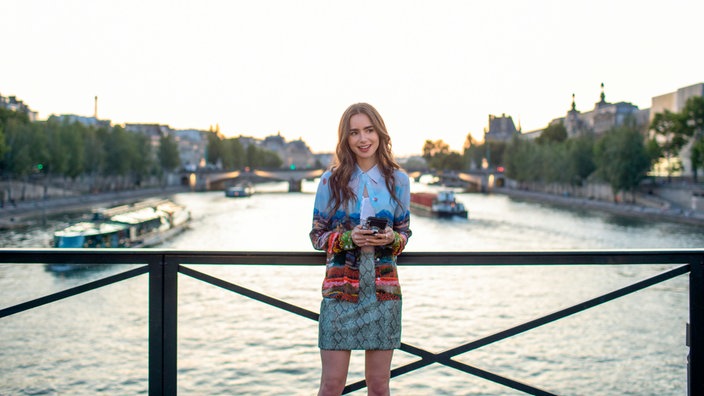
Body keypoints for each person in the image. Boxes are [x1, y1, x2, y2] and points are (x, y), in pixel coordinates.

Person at [310, 103, 412, 395]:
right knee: (331, 385)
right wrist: (348, 239)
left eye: (368, 130)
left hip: (384, 294)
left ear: (379, 133)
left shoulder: (398, 180)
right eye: (354, 132)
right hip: (340, 292)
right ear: (345, 139)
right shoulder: (331, 181)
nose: (363, 138)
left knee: (379, 386)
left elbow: (404, 234)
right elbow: (317, 235)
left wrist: (391, 239)